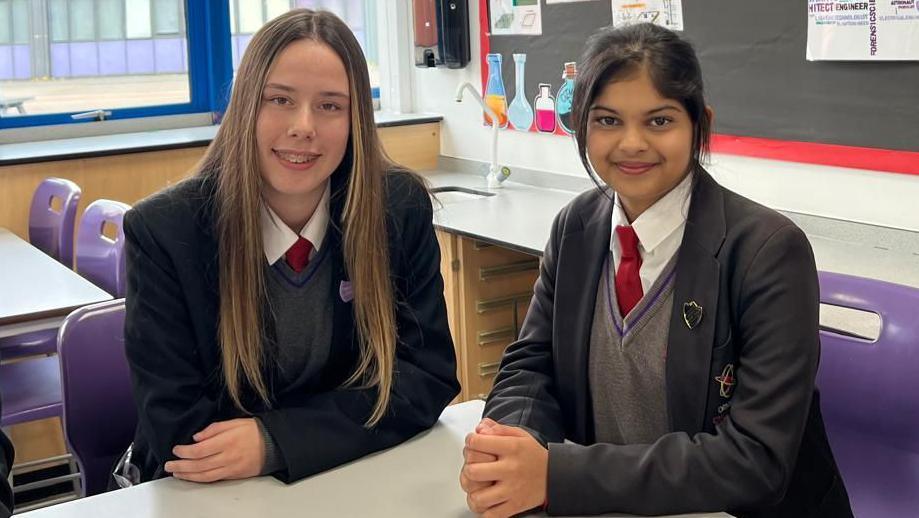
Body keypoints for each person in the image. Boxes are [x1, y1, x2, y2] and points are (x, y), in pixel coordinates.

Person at [460, 23, 852, 518]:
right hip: (610, 506)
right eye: (606, 121)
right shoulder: (575, 229)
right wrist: (508, 446)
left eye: (659, 121)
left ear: (699, 125)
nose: (631, 143)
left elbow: (755, 460)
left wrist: (557, 475)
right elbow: (530, 366)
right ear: (580, 124)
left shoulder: (768, 253)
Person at [122, 9, 458, 485]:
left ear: (356, 119)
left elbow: (427, 377)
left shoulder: (397, 209)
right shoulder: (164, 231)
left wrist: (275, 440)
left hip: (348, 481)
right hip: (208, 496)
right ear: (245, 109)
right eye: (279, 99)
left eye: (330, 106)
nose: (304, 126)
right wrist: (338, 425)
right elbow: (181, 433)